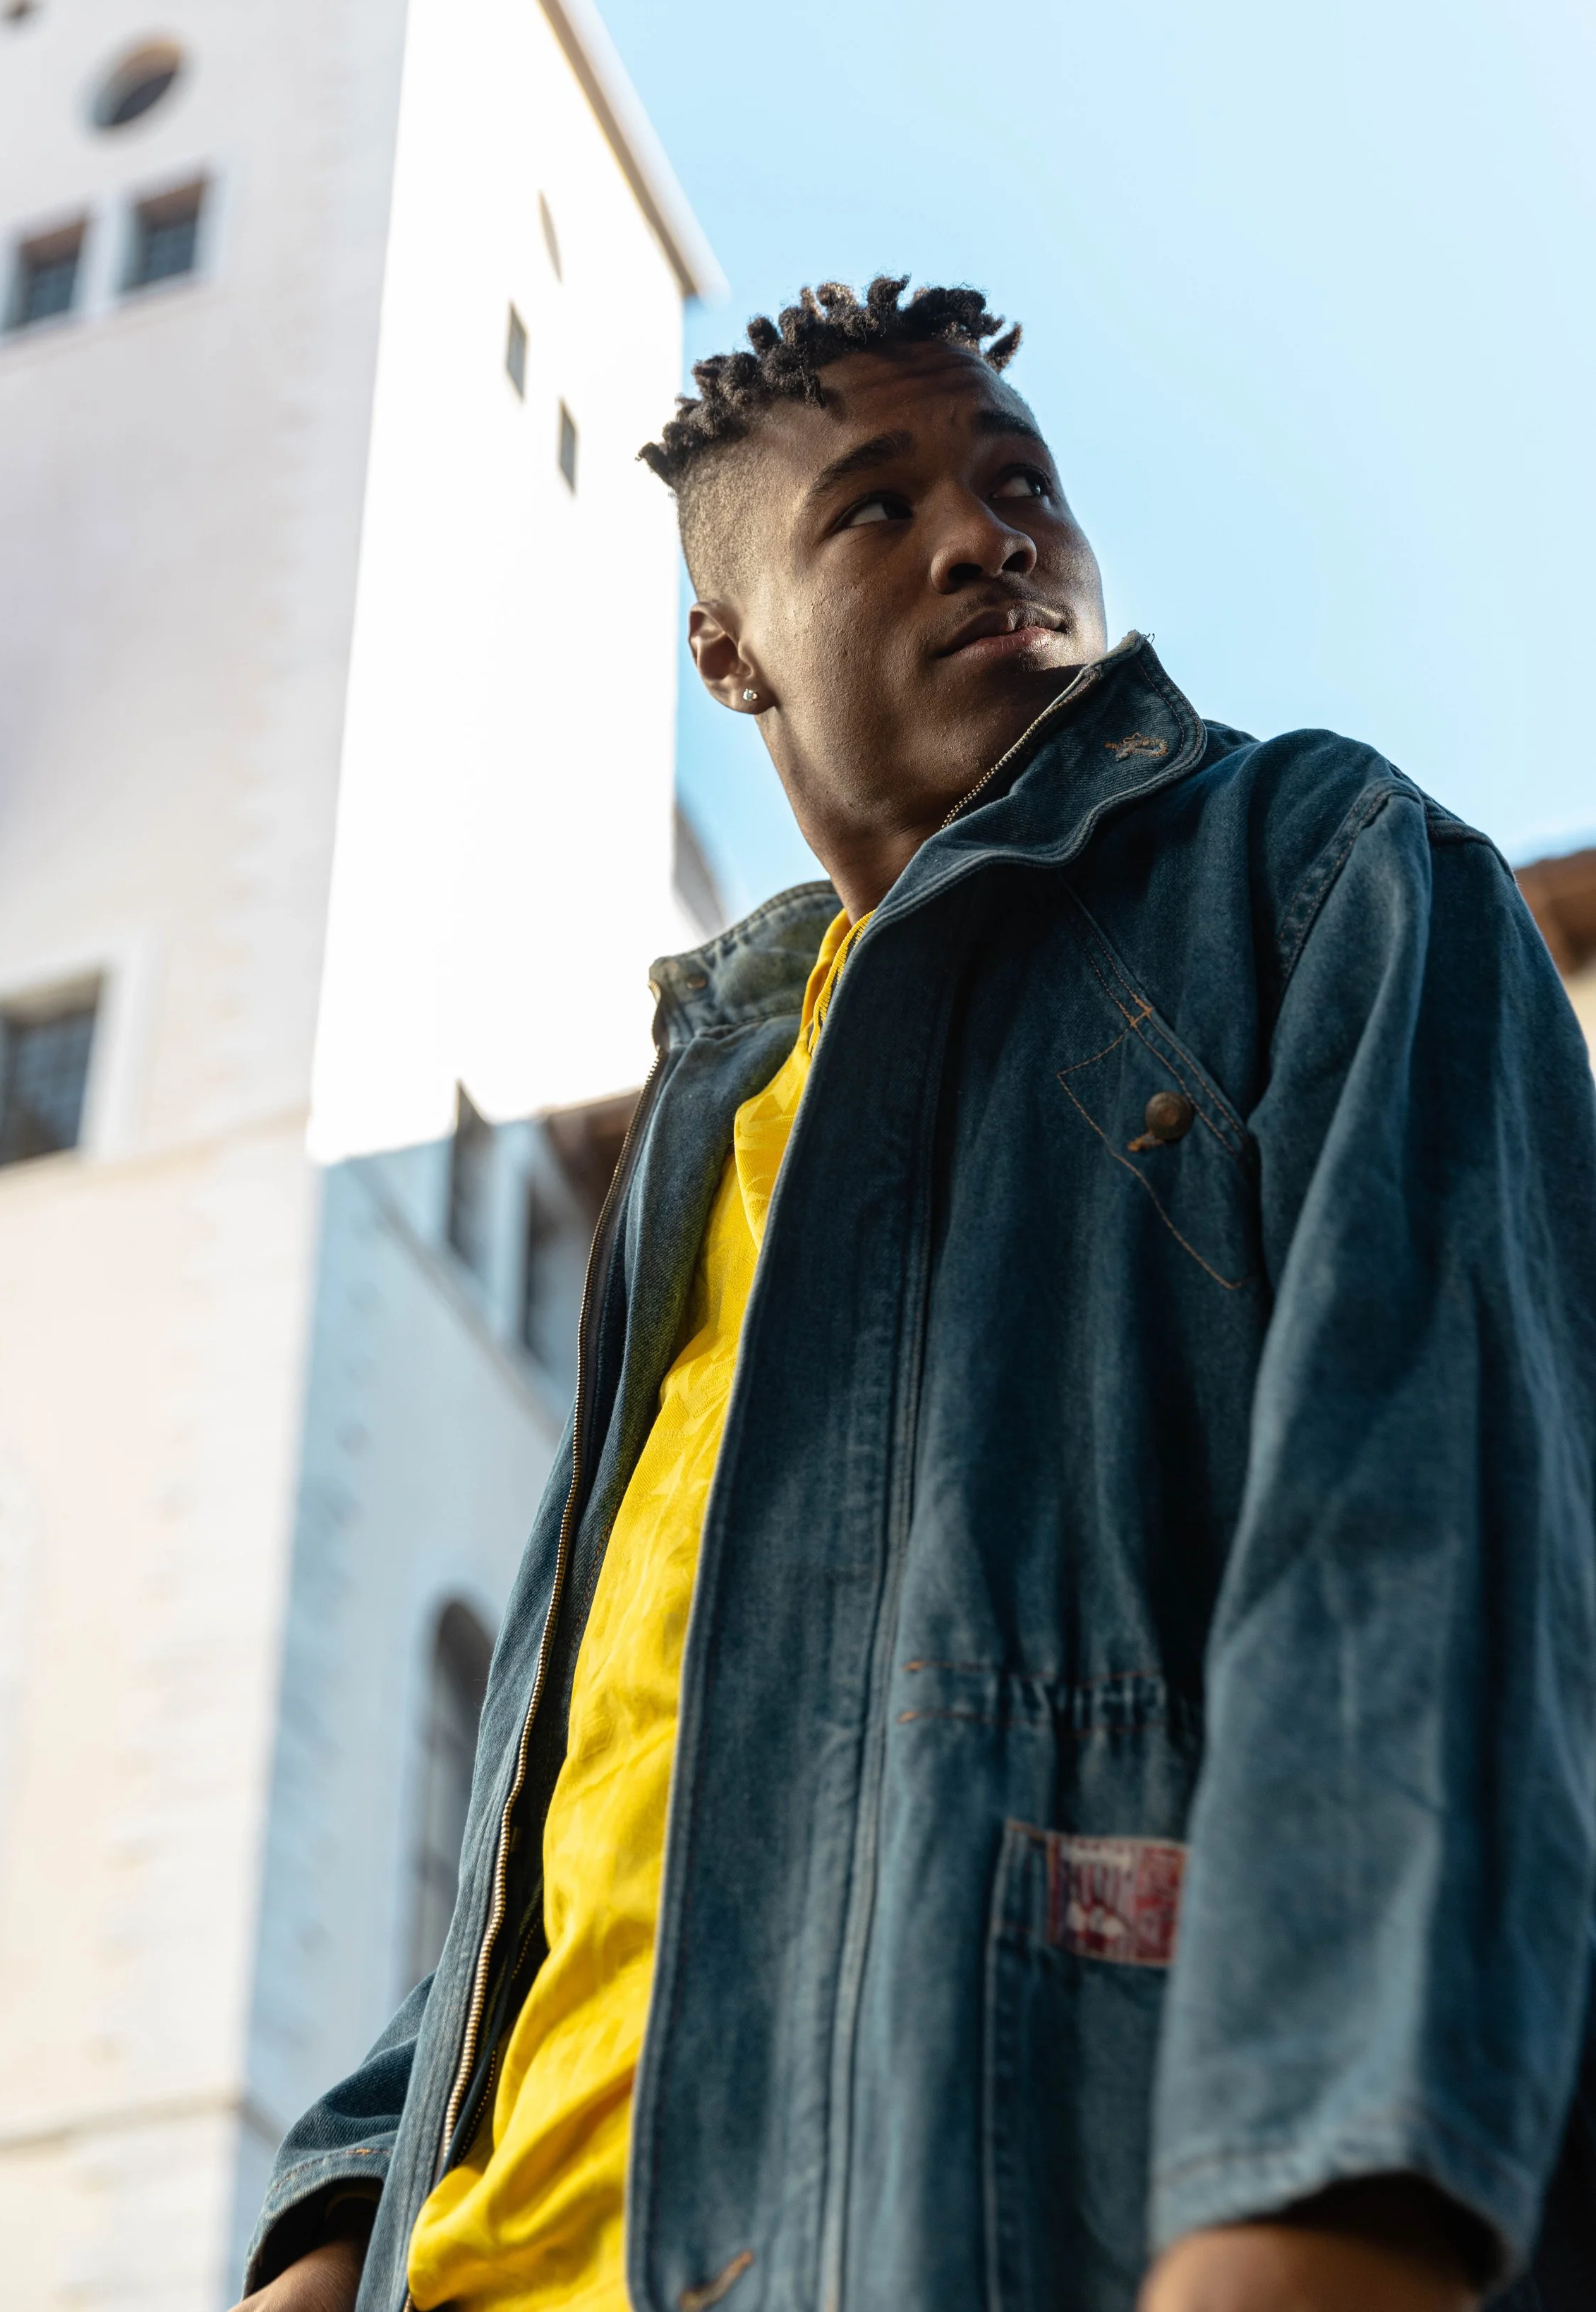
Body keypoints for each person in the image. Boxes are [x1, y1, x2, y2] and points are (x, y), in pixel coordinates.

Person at [236, 279, 1596, 2312]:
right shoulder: (703, 1124)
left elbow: (1433, 1553)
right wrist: (346, 2202)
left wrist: (1326, 2196)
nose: (984, 535)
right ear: (727, 649)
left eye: (1019, 481)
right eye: (874, 507)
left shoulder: (1315, 866)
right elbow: (600, 1753)